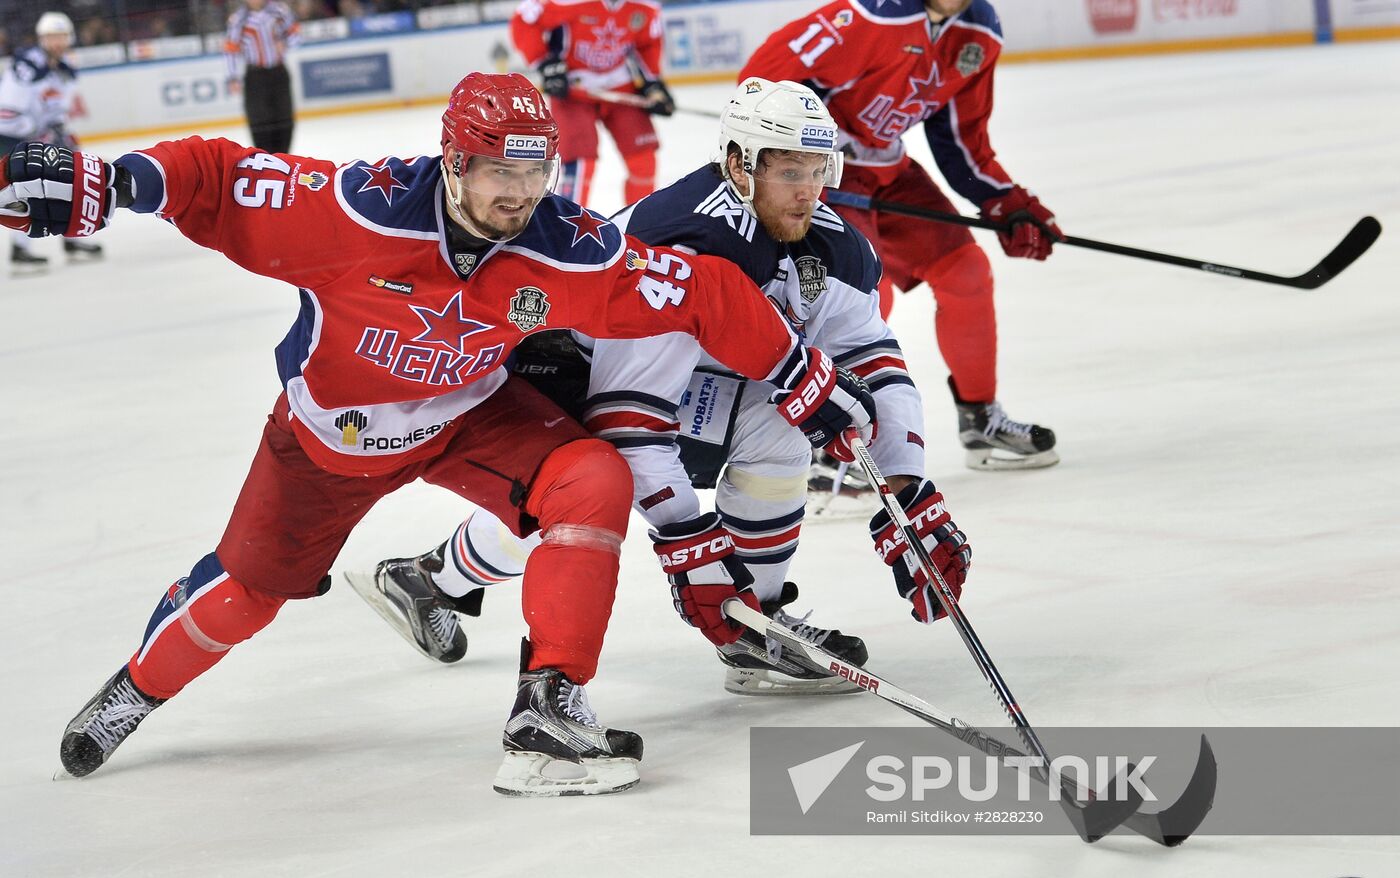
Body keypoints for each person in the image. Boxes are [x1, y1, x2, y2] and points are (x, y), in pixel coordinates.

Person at [0, 72, 874, 796]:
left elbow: (702, 292)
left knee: (592, 477)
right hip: (331, 441)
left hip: (469, 418)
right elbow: (217, 176)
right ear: (453, 162)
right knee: (244, 595)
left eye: (536, 171)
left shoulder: (562, 243)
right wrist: (109, 183)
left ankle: (548, 711)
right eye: (499, 171)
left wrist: (805, 379)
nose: (520, 193)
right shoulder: (356, 211)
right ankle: (134, 688)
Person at [349, 78, 972, 696]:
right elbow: (629, 420)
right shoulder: (684, 245)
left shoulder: (833, 246)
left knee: (780, 424)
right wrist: (686, 539)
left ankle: (756, 621)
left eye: (818, 170)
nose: (808, 192)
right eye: (789, 172)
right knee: (580, 490)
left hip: (680, 379)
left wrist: (906, 483)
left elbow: (876, 363)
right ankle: (436, 579)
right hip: (566, 373)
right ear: (739, 165)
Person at [743, 0, 1061, 471]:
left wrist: (1005, 202)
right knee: (860, 291)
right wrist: (808, 156)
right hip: (826, 174)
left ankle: (980, 417)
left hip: (889, 171)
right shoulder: (871, 15)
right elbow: (760, 83)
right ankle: (827, 439)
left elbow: (961, 140)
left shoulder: (980, 32)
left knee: (967, 272)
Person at [510, 0, 675, 207]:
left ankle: (640, 222)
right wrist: (546, 63)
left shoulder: (646, 6)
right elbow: (523, 20)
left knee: (643, 160)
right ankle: (569, 223)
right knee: (580, 164)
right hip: (573, 91)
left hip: (621, 87)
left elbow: (648, 43)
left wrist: (653, 84)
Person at [0, 11, 101, 272]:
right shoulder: (27, 65)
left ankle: (71, 237)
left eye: (62, 36)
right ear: (41, 38)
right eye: (51, 37)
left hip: (39, 134)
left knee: (70, 178)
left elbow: (56, 107)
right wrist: (37, 132)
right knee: (26, 189)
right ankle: (20, 249)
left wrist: (58, 130)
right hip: (11, 136)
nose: (57, 42)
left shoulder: (64, 67)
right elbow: (7, 114)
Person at [224, 0, 299, 153]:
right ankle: (265, 158)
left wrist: (286, 44)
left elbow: (295, 35)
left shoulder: (280, 11)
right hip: (256, 76)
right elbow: (231, 49)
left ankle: (284, 157)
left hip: (279, 72)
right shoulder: (239, 19)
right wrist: (232, 77)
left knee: (284, 117)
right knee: (259, 120)